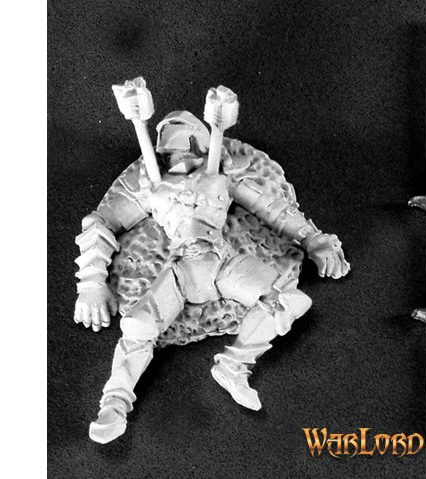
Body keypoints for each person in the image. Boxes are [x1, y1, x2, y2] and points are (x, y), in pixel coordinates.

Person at [74, 96, 350, 444]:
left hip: (222, 263)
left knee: (288, 300)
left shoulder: (222, 177)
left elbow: (272, 208)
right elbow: (100, 222)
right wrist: (91, 284)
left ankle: (234, 366)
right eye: (173, 150)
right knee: (139, 327)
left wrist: (313, 239)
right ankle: (114, 405)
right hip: (179, 271)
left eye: (187, 148)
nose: (181, 156)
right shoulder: (151, 185)